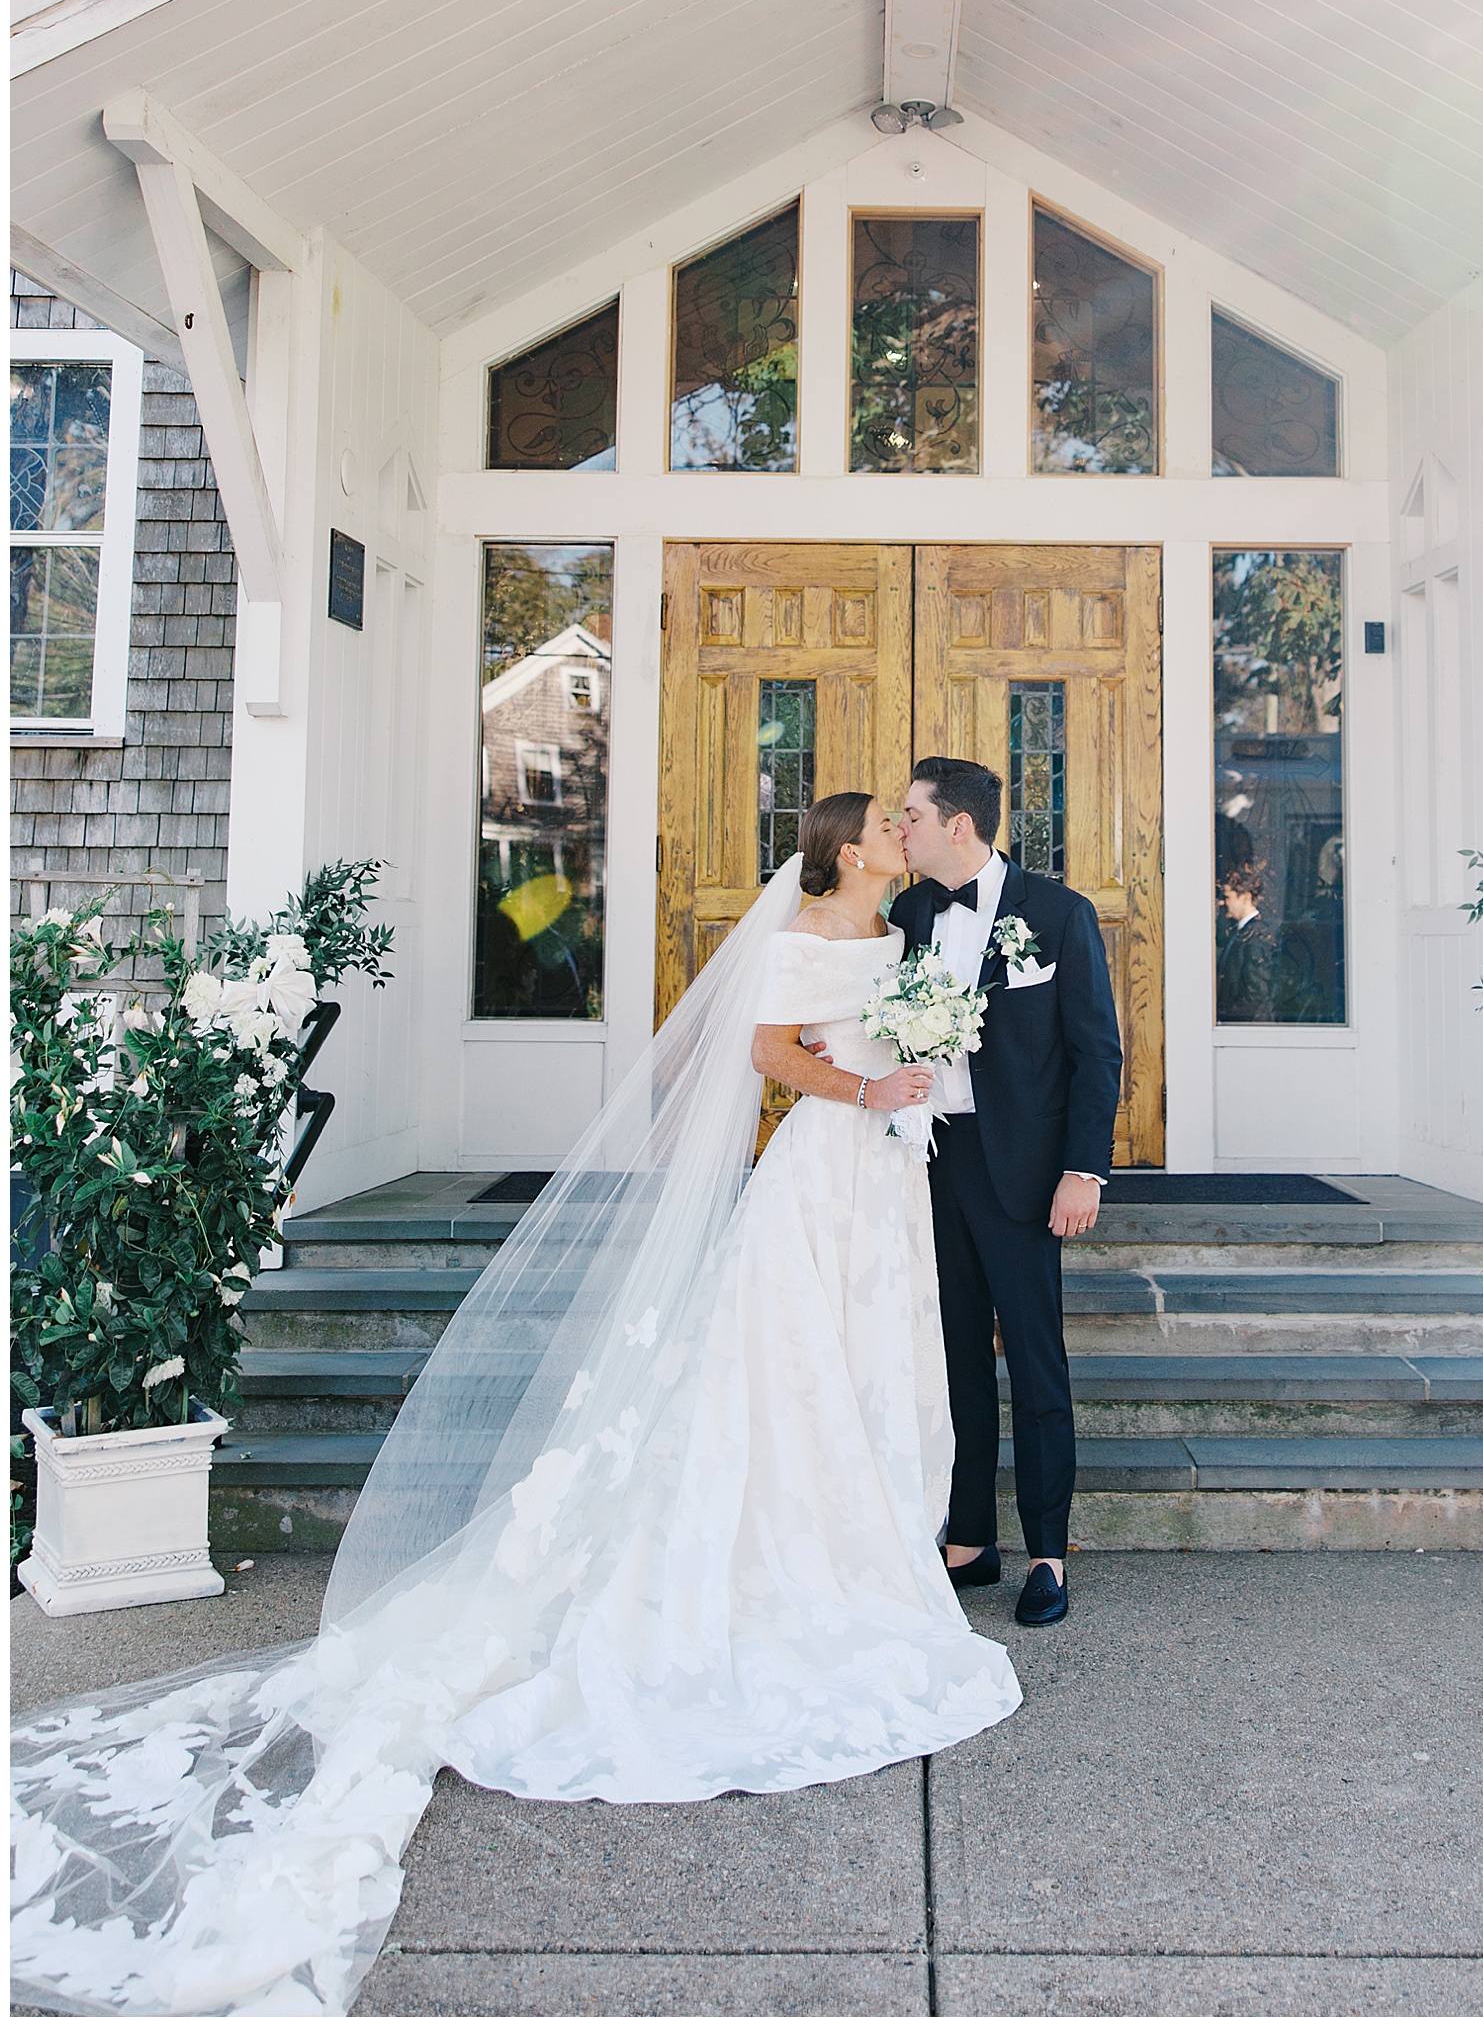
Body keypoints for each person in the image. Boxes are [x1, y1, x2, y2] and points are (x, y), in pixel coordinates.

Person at [11, 795, 1022, 2020]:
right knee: (785, 1363)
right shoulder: (804, 927)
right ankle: (791, 1553)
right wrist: (867, 1090)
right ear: (851, 847)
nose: (906, 831)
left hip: (886, 1179)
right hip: (822, 1166)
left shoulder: (907, 925)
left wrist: (910, 1071)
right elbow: (765, 1051)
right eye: (887, 821)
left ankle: (875, 1537)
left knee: (875, 1358)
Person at [891, 756, 1123, 1628]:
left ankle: (1048, 1552)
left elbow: (1096, 1052)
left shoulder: (1058, 915)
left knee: (1034, 1360)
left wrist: (1082, 1168)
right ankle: (969, 1539)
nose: (901, 826)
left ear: (959, 825)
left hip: (1025, 1168)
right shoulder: (910, 913)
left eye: (912, 814)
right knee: (951, 1358)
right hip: (931, 1162)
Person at [1216, 861, 1276, 1022]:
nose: (1222, 903)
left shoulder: (1257, 937)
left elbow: (1256, 994)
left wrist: (1224, 1017)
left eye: (1227, 897)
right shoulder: (1243, 932)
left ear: (1245, 897)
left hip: (1249, 1028)